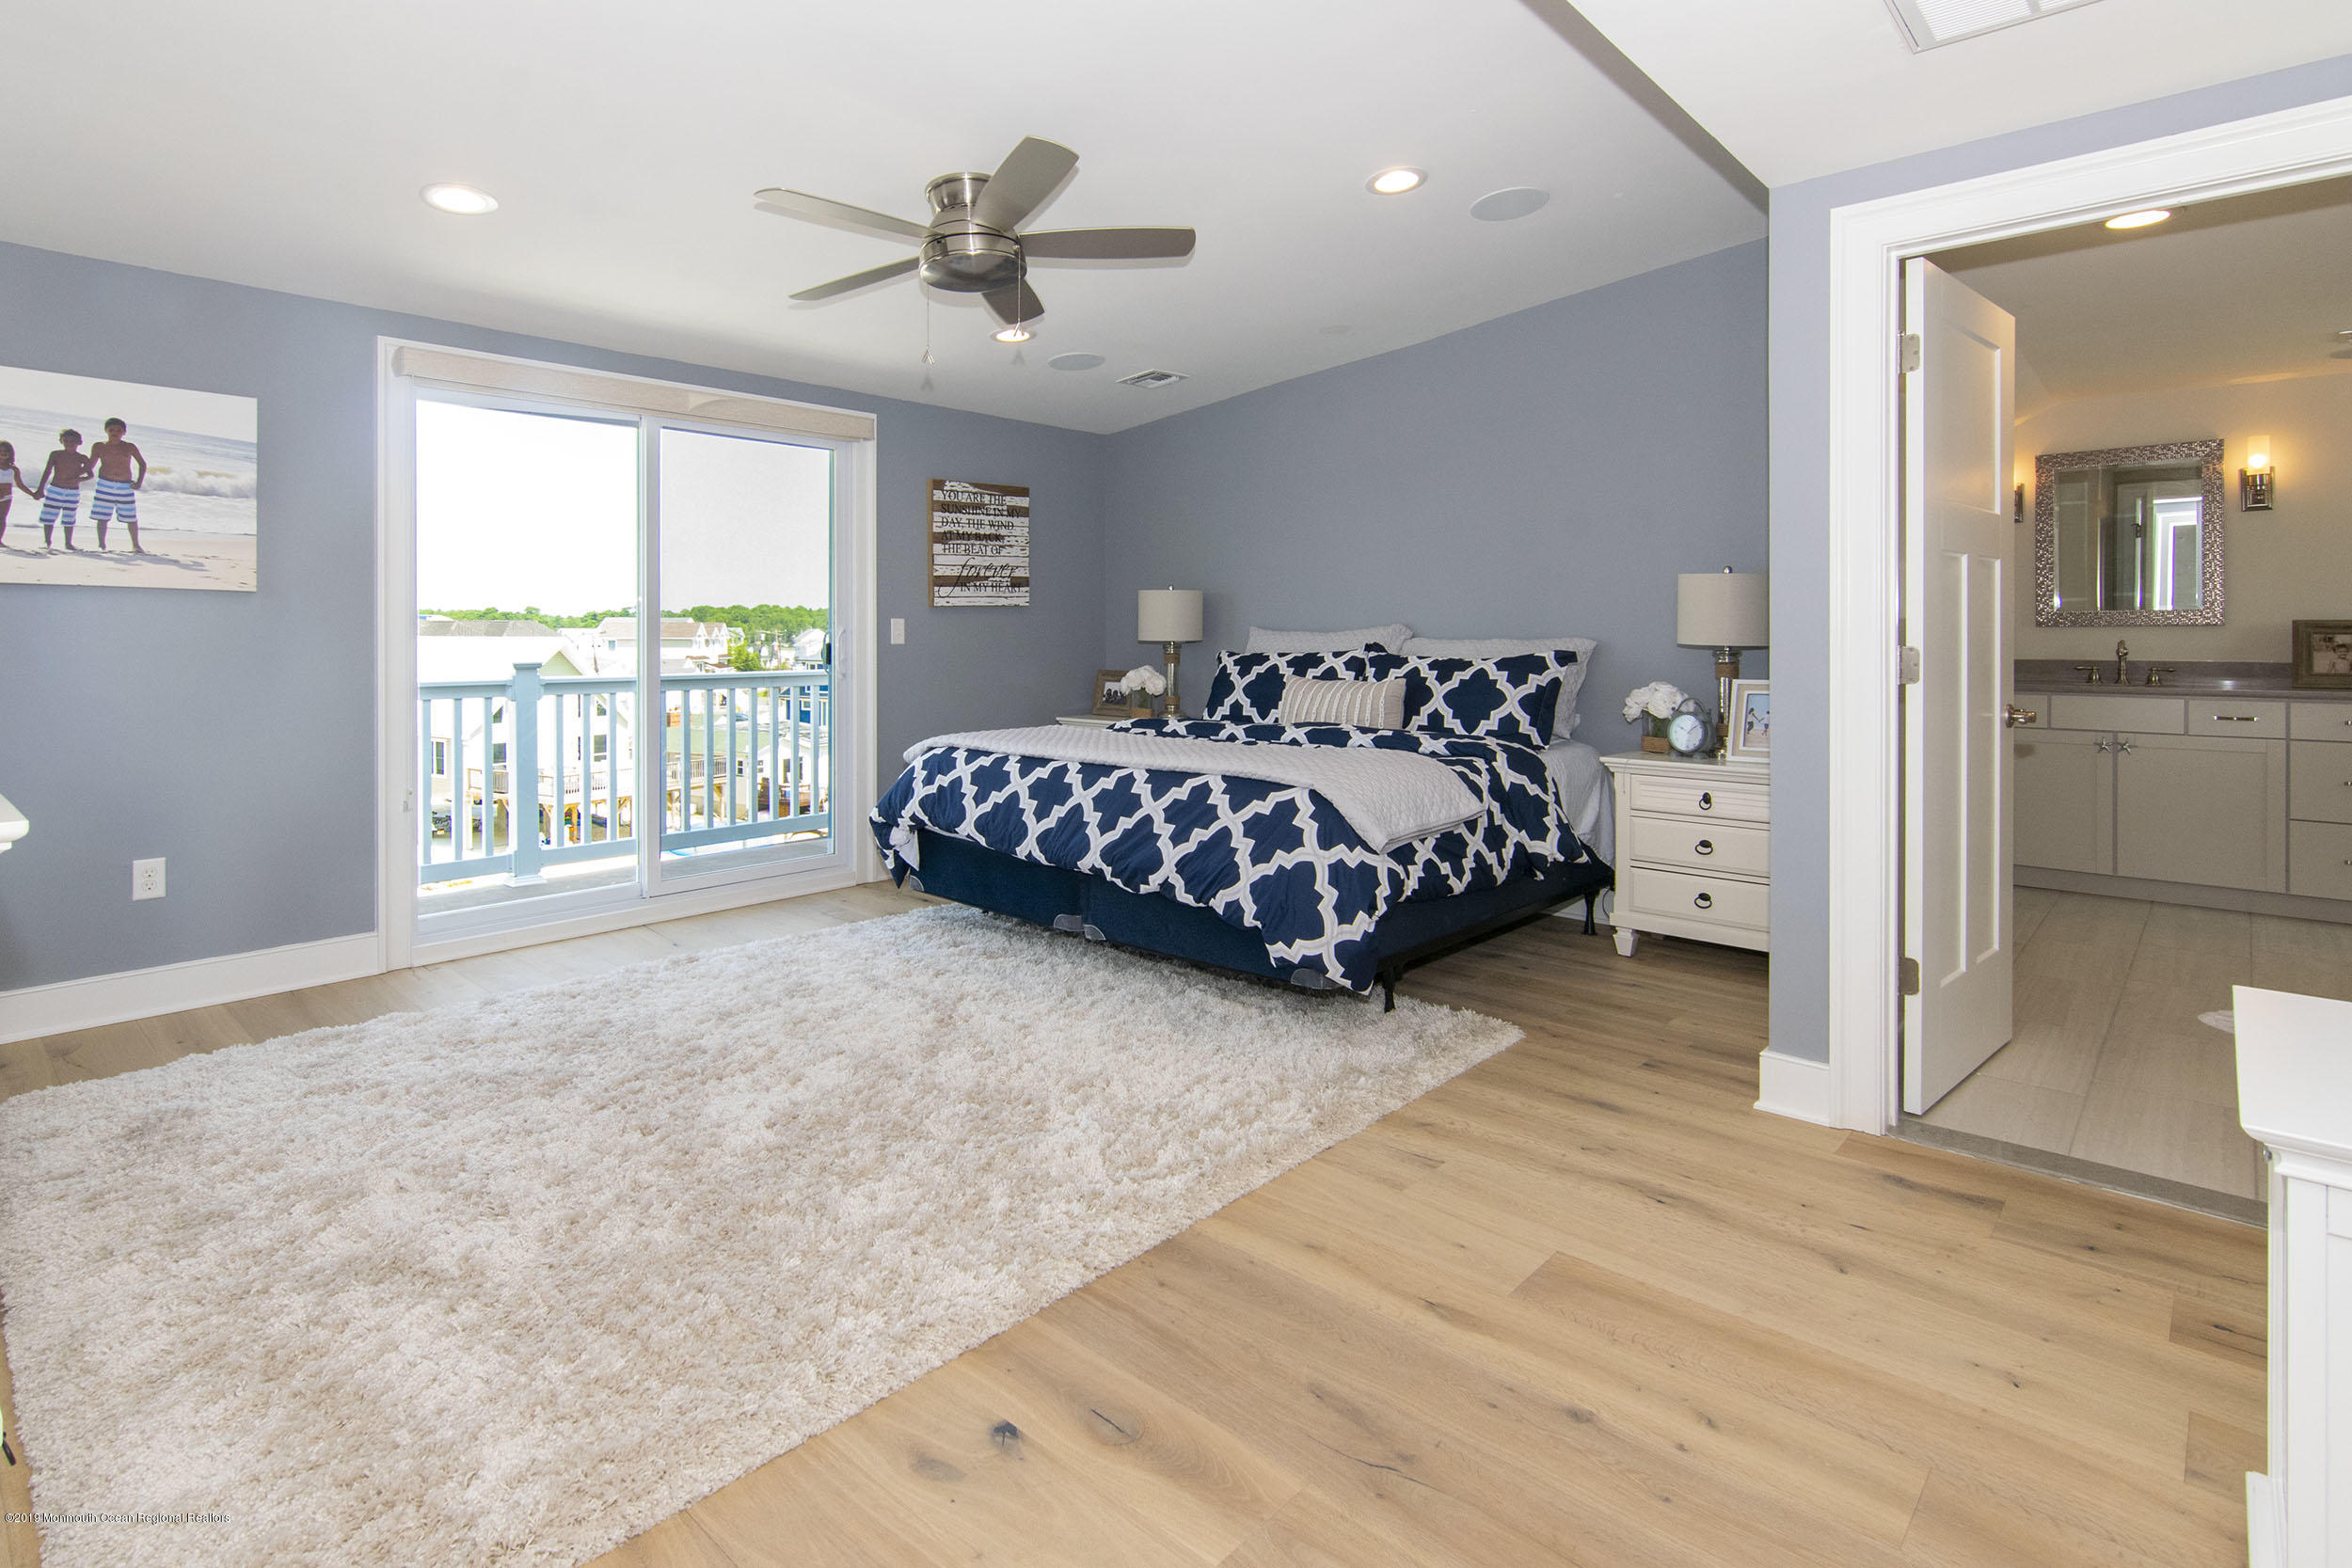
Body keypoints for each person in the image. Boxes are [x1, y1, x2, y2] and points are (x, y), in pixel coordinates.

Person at [87, 417, 148, 553]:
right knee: (102, 517)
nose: (115, 433)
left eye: (119, 430)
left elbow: (142, 464)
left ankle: (136, 545)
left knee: (131, 517)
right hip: (104, 484)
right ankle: (101, 545)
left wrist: (139, 482)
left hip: (124, 485)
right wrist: (77, 475)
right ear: (106, 431)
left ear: (124, 432)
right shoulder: (99, 446)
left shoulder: (129, 447)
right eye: (111, 430)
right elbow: (90, 465)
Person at [37, 430, 90, 549]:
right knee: (49, 516)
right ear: (61, 441)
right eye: (66, 440)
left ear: (79, 442)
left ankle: (68, 543)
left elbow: (90, 474)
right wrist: (40, 489)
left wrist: (78, 479)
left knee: (69, 517)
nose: (69, 443)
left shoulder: (82, 457)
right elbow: (47, 471)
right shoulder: (55, 454)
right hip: (55, 489)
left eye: (73, 441)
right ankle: (47, 542)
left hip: (72, 491)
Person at [0, 441, 36, 547]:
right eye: (0, 451)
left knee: (2, 519)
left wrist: (33, 494)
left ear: (11, 453)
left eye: (6, 451)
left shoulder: (14, 469)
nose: (3, 453)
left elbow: (20, 485)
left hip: (6, 498)